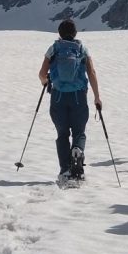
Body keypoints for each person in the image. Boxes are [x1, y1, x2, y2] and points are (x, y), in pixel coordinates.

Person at [38, 19, 102, 181]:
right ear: (75, 33)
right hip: (78, 96)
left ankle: (65, 170)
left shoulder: (53, 49)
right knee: (79, 132)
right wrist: (97, 97)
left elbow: (42, 74)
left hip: (58, 96)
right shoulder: (82, 49)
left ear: (59, 33)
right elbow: (92, 72)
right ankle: (78, 151)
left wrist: (46, 83)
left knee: (62, 134)